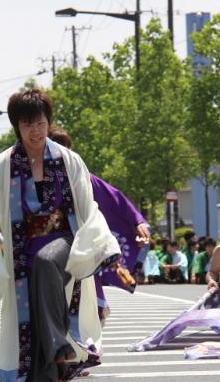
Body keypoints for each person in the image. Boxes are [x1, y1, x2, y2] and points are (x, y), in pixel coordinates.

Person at [0, 89, 120, 382]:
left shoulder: (69, 160)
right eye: (27, 125)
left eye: (40, 123)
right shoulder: (1, 166)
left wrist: (104, 245)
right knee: (32, 326)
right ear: (17, 126)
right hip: (22, 255)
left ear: (49, 122)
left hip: (64, 249)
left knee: (45, 263)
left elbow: (88, 208)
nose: (35, 131)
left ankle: (58, 343)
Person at [47, 127, 151, 325]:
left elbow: (116, 201)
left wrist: (138, 222)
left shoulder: (85, 178)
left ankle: (89, 350)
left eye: (67, 150)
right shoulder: (32, 178)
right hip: (49, 250)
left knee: (89, 308)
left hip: (83, 249)